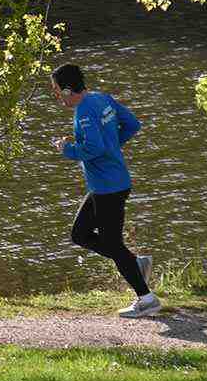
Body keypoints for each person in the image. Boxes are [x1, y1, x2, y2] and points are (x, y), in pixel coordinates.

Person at [50, 63, 161, 318]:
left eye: (56, 91)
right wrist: (112, 146)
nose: (56, 96)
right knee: (80, 234)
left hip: (108, 188)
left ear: (67, 90)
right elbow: (132, 124)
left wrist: (66, 149)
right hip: (109, 183)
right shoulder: (101, 98)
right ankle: (136, 263)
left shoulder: (84, 112)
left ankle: (146, 299)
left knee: (111, 242)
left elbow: (93, 149)